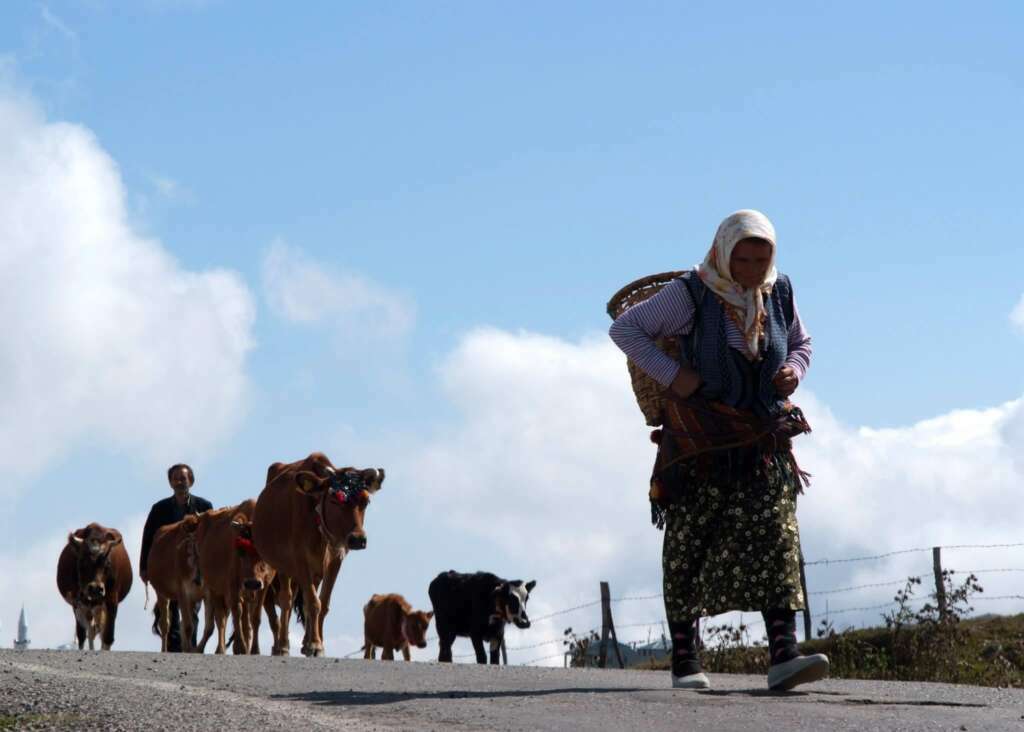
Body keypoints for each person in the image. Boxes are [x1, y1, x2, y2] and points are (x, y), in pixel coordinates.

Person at [608, 209, 829, 691]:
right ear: (723, 253)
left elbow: (800, 341)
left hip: (761, 439)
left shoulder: (780, 291)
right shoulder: (692, 293)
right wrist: (676, 377)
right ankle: (686, 661)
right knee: (691, 542)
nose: (751, 269)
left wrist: (794, 368)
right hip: (700, 442)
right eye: (742, 258)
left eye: (761, 257)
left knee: (777, 535)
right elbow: (625, 331)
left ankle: (784, 655)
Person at [139, 463, 213, 652]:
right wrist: (144, 567)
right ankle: (173, 652)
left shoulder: (205, 507)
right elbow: (148, 538)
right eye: (176, 478)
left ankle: (191, 648)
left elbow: (211, 537)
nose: (180, 482)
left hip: (194, 568)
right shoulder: (159, 509)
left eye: (184, 478)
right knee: (169, 608)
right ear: (170, 482)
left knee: (193, 608)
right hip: (167, 568)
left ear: (192, 481)